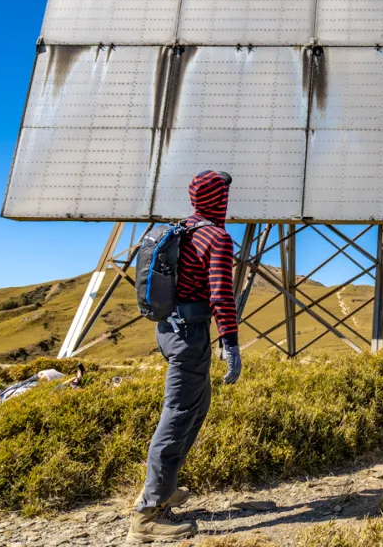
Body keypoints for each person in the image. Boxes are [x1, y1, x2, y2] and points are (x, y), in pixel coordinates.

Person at [129, 170, 243, 544]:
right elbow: (221, 295)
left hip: (169, 330)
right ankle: (148, 515)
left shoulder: (183, 229)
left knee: (196, 407)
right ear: (218, 199)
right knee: (178, 416)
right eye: (224, 193)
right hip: (190, 335)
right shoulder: (216, 237)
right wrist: (231, 344)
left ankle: (165, 487)